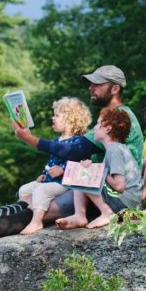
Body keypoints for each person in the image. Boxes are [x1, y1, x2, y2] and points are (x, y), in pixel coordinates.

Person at [0, 65, 144, 245]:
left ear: (115, 88)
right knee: (30, 200)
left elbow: (74, 150)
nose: (91, 87)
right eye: (92, 83)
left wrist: (30, 139)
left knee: (37, 210)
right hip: (97, 189)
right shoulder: (109, 118)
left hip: (111, 196)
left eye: (98, 84)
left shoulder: (118, 118)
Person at [56, 107, 143, 230]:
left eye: (98, 124)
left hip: (126, 203)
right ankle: (79, 215)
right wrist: (93, 168)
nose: (95, 128)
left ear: (108, 128)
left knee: (83, 174)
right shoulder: (114, 149)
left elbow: (119, 186)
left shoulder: (115, 150)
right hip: (127, 202)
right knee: (82, 171)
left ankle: (107, 213)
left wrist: (98, 171)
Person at [18, 97, 92, 235]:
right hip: (50, 180)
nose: (53, 118)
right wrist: (43, 174)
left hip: (65, 182)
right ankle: (22, 215)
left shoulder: (79, 141)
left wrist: (63, 170)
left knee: (41, 191)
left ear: (71, 119)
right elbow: (52, 162)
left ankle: (37, 221)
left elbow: (80, 164)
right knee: (24, 190)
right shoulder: (57, 140)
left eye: (57, 115)